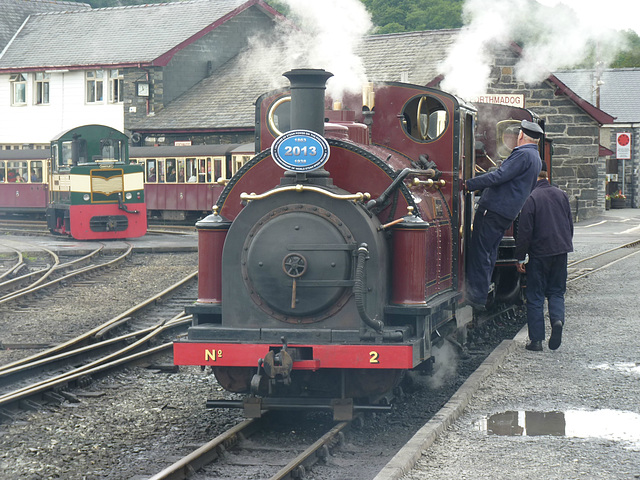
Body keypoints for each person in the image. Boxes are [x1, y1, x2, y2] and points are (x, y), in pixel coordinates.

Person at [464, 119, 544, 310]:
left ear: (521, 135)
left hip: (494, 209)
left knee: (481, 252)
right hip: (506, 212)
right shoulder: (536, 158)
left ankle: (475, 297)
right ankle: (480, 294)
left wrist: (468, 184)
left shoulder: (522, 154)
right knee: (489, 253)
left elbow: (499, 176)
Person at [515, 162, 573, 351]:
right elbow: (569, 226)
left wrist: (520, 257)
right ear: (547, 175)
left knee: (535, 296)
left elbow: (524, 232)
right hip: (560, 252)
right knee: (556, 292)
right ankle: (557, 321)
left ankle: (536, 341)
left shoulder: (531, 198)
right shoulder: (562, 195)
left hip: (539, 255)